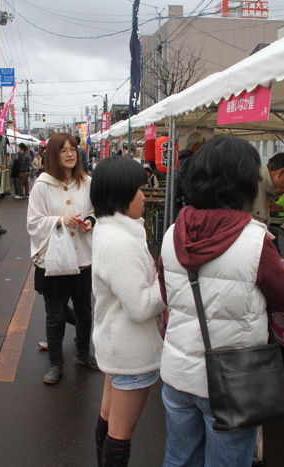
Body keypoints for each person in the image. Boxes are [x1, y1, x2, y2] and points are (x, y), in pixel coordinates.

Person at [158, 136, 284, 467]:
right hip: (235, 378)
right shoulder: (256, 240)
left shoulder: (173, 232)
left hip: (178, 371)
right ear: (246, 183)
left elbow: (168, 296)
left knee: (179, 457)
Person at [90, 156, 165, 466]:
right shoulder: (120, 242)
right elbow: (140, 306)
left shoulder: (110, 231)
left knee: (109, 422)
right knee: (120, 435)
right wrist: (168, 281)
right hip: (130, 350)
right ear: (120, 194)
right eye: (139, 189)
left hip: (117, 344)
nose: (145, 196)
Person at [27, 133, 97, 385]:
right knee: (55, 315)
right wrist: (59, 220)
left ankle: (82, 353)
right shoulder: (42, 185)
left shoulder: (87, 182)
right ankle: (55, 363)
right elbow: (33, 223)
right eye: (63, 150)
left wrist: (89, 222)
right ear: (53, 156)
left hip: (82, 258)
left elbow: (94, 212)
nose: (69, 154)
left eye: (73, 149)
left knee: (85, 310)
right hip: (54, 262)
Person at [175, 132, 207, 210]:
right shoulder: (192, 161)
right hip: (186, 204)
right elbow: (188, 184)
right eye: (203, 146)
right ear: (196, 146)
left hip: (175, 200)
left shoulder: (178, 158)